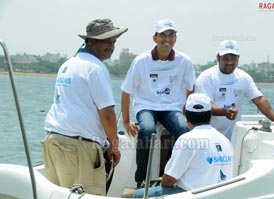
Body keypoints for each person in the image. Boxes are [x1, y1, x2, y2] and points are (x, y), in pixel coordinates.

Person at [41, 18, 127, 196]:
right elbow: (108, 114)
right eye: (106, 40)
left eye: (114, 41)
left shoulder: (67, 64)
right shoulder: (96, 68)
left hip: (53, 142)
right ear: (90, 41)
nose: (111, 45)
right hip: (78, 148)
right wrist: (114, 146)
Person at [121, 18, 196, 188]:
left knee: (184, 131)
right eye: (163, 35)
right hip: (146, 106)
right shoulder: (141, 60)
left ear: (175, 38)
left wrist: (185, 113)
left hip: (172, 107)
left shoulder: (184, 60)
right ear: (155, 38)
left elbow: (190, 88)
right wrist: (126, 122)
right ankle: (140, 180)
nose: (167, 39)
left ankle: (170, 175)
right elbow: (126, 91)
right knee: (146, 130)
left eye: (171, 35)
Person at [132, 93, 234, 198]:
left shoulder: (187, 140)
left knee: (138, 195)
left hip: (193, 195)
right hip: (222, 194)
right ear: (210, 116)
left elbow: (169, 180)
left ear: (186, 117)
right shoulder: (225, 140)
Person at [195, 40, 274, 140]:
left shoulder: (243, 77)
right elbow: (204, 106)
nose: (230, 62)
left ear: (238, 58)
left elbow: (259, 99)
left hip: (232, 137)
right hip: (208, 136)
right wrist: (225, 112)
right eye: (226, 58)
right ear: (218, 58)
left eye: (233, 58)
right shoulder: (206, 77)